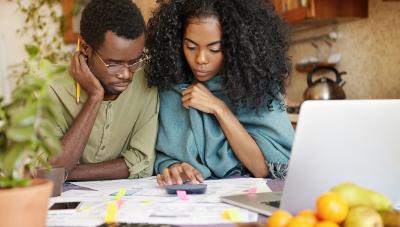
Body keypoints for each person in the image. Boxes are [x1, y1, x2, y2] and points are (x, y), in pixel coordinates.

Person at [146, 0, 294, 186]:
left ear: (235, 46)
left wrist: (219, 108)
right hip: (191, 201)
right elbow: (164, 157)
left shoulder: (257, 88)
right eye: (190, 47)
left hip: (246, 197)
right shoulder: (171, 87)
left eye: (215, 49)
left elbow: (262, 168)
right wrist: (177, 168)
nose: (200, 59)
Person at [49, 0, 159, 181]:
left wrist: (69, 172)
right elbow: (50, 175)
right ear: (85, 48)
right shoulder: (50, 87)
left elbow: (142, 163)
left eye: (134, 61)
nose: (126, 74)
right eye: (113, 64)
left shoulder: (146, 79)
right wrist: (95, 96)